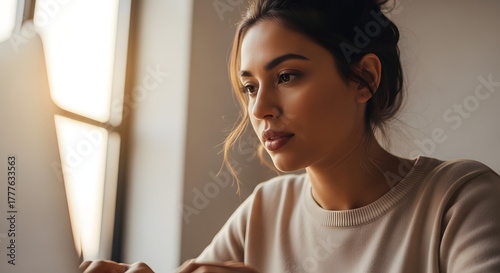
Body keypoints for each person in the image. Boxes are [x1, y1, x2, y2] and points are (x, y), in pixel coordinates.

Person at [80, 0, 500, 272]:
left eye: (286, 76)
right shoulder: (263, 211)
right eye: (250, 87)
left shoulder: (460, 199)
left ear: (363, 78)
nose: (260, 108)